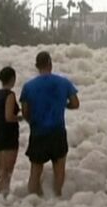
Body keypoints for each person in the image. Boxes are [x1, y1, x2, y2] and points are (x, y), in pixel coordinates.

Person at [20, 51, 79, 197]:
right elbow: (75, 103)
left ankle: (31, 205)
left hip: (38, 132)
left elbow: (25, 112)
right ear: (50, 64)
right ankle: (56, 201)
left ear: (36, 66)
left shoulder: (28, 86)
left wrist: (32, 122)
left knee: (35, 171)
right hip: (58, 132)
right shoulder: (64, 82)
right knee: (59, 170)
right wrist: (63, 105)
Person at [0, 66, 20, 199]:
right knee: (7, 173)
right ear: (12, 79)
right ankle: (3, 200)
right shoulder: (10, 95)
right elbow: (9, 116)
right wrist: (21, 117)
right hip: (9, 137)